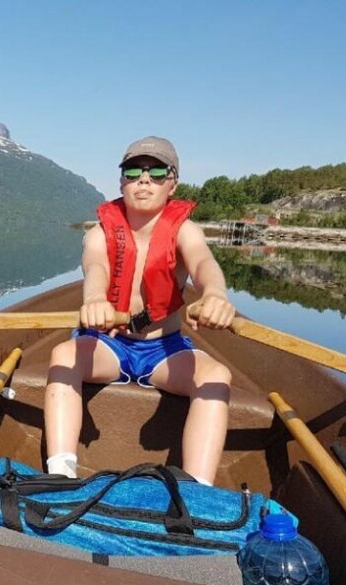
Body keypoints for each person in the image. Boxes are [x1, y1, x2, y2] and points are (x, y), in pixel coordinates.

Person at [44, 136, 235, 485]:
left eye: (156, 171)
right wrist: (95, 301)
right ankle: (60, 474)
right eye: (133, 171)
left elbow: (204, 262)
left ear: (172, 183)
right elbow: (96, 268)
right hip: (108, 346)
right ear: (121, 182)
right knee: (62, 355)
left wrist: (216, 295)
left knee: (217, 376)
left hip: (164, 350)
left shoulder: (186, 231)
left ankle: (196, 493)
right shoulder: (100, 233)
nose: (143, 179)